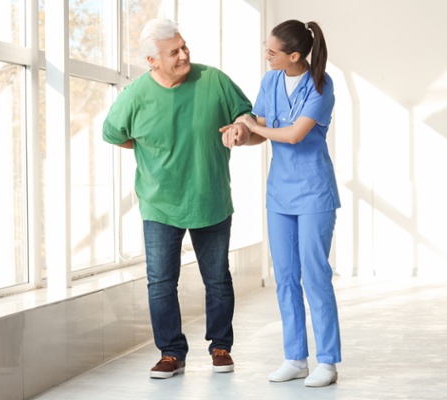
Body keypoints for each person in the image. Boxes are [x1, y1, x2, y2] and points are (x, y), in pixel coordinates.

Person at [102, 18, 252, 379]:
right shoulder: (135, 96)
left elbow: (246, 115)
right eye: (174, 52)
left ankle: (220, 346)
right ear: (153, 61)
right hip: (159, 203)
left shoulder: (213, 80)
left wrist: (242, 128)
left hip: (210, 196)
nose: (184, 55)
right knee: (161, 282)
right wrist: (152, 154)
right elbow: (114, 134)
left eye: (184, 47)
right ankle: (171, 352)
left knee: (217, 279)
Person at [221, 19, 341, 387]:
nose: (266, 55)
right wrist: (242, 131)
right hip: (280, 195)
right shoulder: (270, 80)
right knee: (286, 277)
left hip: (314, 193)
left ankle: (328, 362)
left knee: (315, 275)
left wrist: (253, 126)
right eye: (265, 48)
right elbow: (260, 124)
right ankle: (295, 357)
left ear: (294, 55)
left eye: (272, 52)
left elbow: (291, 134)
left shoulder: (322, 85)